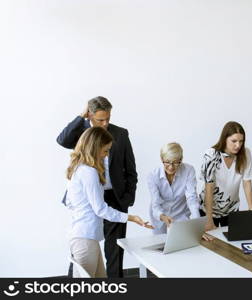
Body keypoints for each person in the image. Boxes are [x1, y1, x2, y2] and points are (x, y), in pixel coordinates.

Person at [57, 96, 137, 277]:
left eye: (108, 118)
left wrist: (127, 199)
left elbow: (131, 170)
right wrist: (80, 117)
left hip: (115, 198)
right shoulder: (83, 135)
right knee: (83, 252)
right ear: (90, 116)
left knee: (114, 251)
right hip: (88, 201)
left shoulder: (121, 133)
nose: (105, 123)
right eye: (100, 119)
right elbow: (62, 140)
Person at [66, 127, 153, 278]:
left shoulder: (80, 169)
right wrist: (131, 218)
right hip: (85, 240)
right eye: (105, 151)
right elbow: (101, 210)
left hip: (86, 238)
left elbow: (70, 202)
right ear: (95, 148)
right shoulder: (89, 172)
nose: (106, 156)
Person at [200, 121, 252, 231]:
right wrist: (209, 219)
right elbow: (209, 187)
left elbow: (247, 183)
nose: (238, 145)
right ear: (225, 139)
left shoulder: (245, 153)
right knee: (210, 244)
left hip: (232, 209)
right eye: (234, 141)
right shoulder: (211, 154)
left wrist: (251, 209)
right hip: (209, 210)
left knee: (232, 243)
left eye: (241, 141)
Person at [147, 142, 200, 234]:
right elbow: (155, 204)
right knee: (160, 245)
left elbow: (192, 199)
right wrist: (162, 216)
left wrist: (198, 227)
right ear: (161, 159)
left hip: (181, 214)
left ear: (181, 159)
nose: (171, 167)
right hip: (160, 214)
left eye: (175, 162)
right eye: (167, 162)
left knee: (182, 243)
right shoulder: (153, 175)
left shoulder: (189, 170)